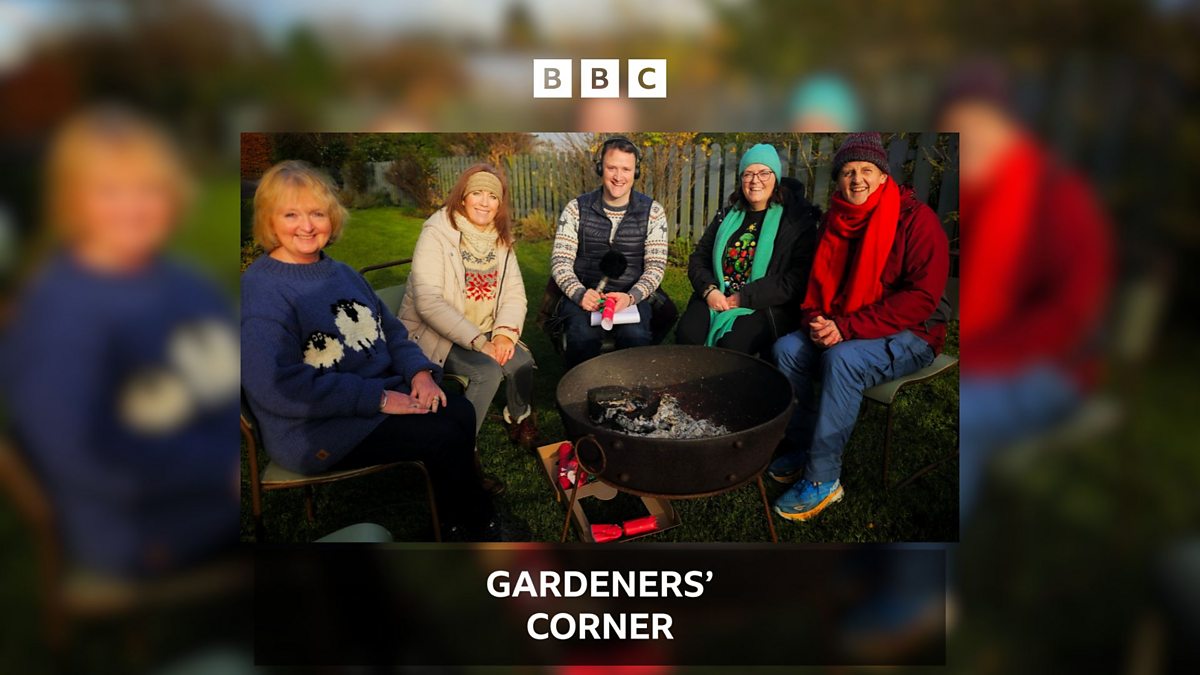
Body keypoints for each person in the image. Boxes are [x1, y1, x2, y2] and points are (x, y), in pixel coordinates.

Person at [1, 106, 240, 577]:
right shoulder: (60, 310)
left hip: (229, 470)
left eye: (149, 189)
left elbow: (232, 374)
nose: (133, 207)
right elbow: (81, 457)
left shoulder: (185, 281)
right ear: (72, 201)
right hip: (143, 521)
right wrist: (223, 473)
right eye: (108, 191)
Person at [240, 160, 497, 540]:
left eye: (317, 213)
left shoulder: (342, 272)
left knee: (456, 407)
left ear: (333, 217)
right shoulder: (262, 290)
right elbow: (276, 388)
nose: (307, 226)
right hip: (314, 428)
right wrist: (377, 399)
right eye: (290, 214)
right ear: (269, 220)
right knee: (440, 433)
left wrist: (420, 374)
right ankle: (466, 529)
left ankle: (462, 516)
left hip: (369, 398)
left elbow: (390, 332)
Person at [937, 63, 1113, 521]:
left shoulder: (1058, 198)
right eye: (955, 126)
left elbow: (1070, 319)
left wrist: (970, 359)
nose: (966, 136)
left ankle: (920, 589)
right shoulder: (958, 202)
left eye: (980, 124)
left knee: (951, 416)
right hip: (972, 355)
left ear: (1009, 129)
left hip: (1050, 368)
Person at [769, 133, 950, 522]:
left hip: (913, 332)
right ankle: (803, 447)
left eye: (867, 170)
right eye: (848, 171)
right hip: (846, 325)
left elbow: (921, 298)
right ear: (837, 180)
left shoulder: (916, 221)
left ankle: (824, 479)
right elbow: (817, 284)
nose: (857, 179)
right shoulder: (834, 220)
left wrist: (844, 328)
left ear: (883, 176)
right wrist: (816, 320)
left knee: (842, 360)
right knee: (786, 348)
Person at [397, 163, 537, 449]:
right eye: (478, 193)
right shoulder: (437, 234)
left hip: (486, 331)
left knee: (522, 363)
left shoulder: (501, 238)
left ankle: (519, 417)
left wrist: (503, 335)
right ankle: (460, 446)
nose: (485, 202)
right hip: (439, 334)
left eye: (493, 196)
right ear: (463, 197)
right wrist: (478, 342)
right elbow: (429, 303)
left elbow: (514, 293)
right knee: (487, 372)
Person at [675, 143, 820, 355]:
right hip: (718, 296)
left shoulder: (794, 222)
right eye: (748, 174)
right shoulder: (726, 216)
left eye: (763, 173)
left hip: (764, 305)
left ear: (776, 178)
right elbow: (699, 258)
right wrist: (709, 290)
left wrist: (744, 297)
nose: (755, 181)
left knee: (732, 344)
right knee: (688, 335)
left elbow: (795, 279)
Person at [550, 136, 668, 369]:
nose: (618, 176)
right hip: (584, 292)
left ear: (635, 172)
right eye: (611, 167)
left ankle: (631, 392)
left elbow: (656, 267)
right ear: (600, 168)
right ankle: (581, 392)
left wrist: (631, 296)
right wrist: (579, 293)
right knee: (582, 338)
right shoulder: (576, 208)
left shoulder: (653, 211)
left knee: (636, 337)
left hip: (631, 294)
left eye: (626, 169)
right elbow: (560, 261)